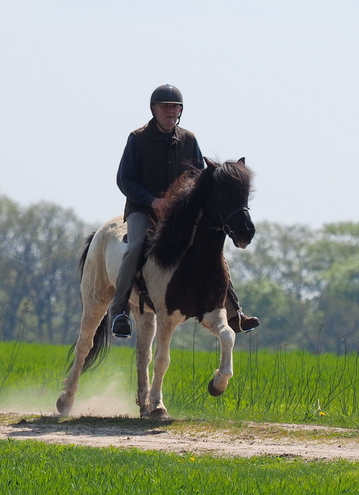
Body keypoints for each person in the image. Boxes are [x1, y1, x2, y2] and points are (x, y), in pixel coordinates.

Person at [109, 84, 260, 338]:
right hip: (143, 210)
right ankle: (120, 311)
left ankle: (234, 312)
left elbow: (199, 178)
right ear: (154, 109)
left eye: (175, 107)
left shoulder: (189, 139)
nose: (170, 111)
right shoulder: (137, 138)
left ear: (180, 111)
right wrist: (152, 202)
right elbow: (125, 180)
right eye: (165, 107)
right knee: (134, 246)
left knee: (210, 247)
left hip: (178, 213)